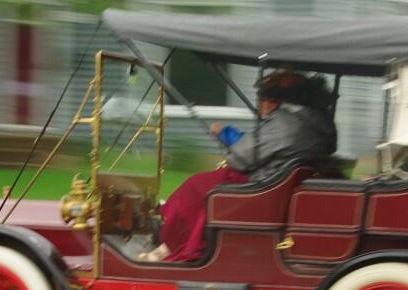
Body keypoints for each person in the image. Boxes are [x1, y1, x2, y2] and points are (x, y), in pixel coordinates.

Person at [138, 70, 337, 262]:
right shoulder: (319, 123)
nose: (260, 103)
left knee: (196, 185)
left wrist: (230, 140)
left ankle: (174, 244)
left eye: (263, 97)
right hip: (277, 179)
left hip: (262, 184)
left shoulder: (287, 123)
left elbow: (241, 158)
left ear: (274, 100)